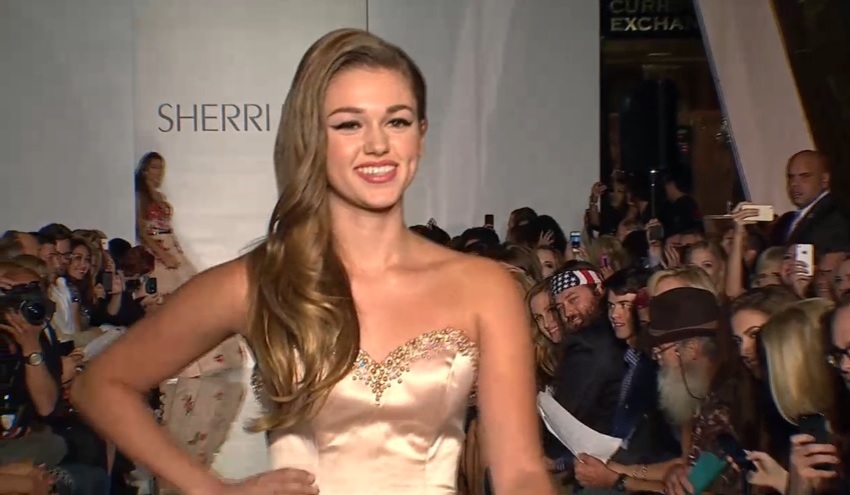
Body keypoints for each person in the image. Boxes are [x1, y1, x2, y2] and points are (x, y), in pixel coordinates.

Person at [72, 28, 554, 495]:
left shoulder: (485, 288)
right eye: (349, 124)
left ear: (421, 136)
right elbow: (101, 385)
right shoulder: (259, 281)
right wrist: (210, 488)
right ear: (312, 137)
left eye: (397, 121)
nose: (378, 144)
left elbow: (521, 474)